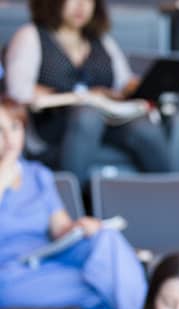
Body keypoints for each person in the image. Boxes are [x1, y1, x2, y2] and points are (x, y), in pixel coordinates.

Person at [0, 96, 145, 309]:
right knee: (104, 286)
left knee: (106, 238)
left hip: (47, 259)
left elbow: (60, 228)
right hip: (10, 274)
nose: (9, 140)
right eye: (0, 131)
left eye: (15, 128)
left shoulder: (38, 175)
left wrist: (78, 228)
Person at [4, 0, 169, 185]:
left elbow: (123, 82)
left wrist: (144, 86)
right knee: (87, 116)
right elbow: (18, 91)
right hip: (53, 125)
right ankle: (69, 202)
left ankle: (169, 194)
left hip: (107, 120)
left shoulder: (101, 39)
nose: (81, 5)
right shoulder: (31, 35)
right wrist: (79, 95)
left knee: (144, 128)